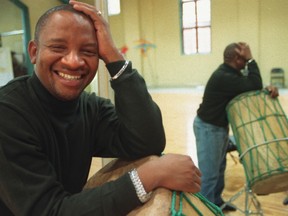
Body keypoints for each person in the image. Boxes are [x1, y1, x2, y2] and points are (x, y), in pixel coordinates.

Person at [0, 1, 201, 215]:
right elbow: (49, 211)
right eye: (58, 47)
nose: (74, 61)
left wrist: (115, 57)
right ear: (34, 51)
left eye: (88, 51)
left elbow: (146, 141)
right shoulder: (8, 113)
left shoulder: (89, 108)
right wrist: (148, 177)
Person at [193, 42, 279, 211]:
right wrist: (252, 59)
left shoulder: (230, 74)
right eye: (244, 59)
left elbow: (251, 86)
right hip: (208, 128)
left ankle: (216, 203)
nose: (246, 63)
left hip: (218, 127)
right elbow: (252, 84)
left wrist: (267, 88)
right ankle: (205, 211)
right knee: (209, 175)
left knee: (218, 170)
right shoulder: (224, 77)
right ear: (237, 59)